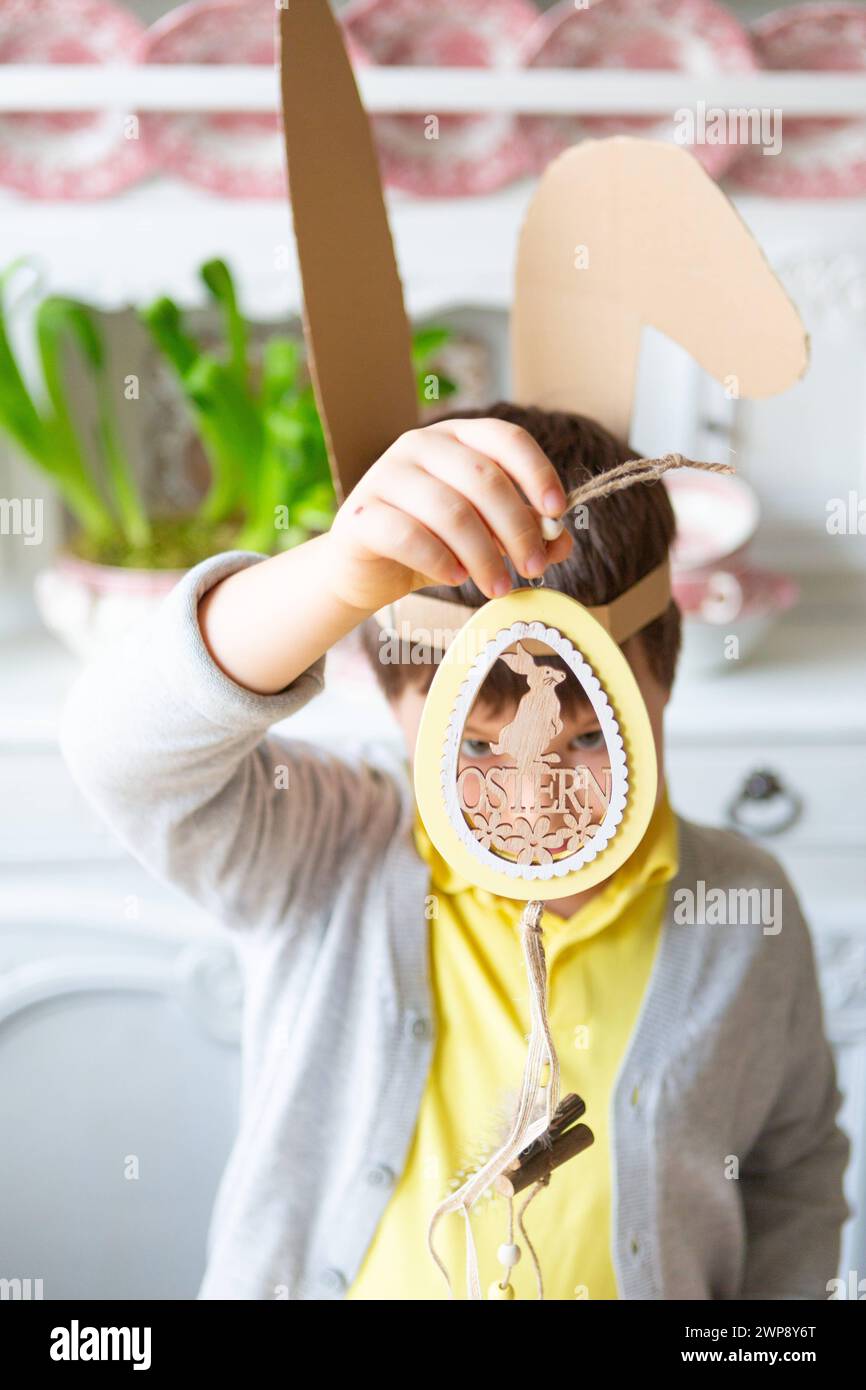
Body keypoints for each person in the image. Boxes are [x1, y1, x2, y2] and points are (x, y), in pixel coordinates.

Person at [60, 403, 850, 1300]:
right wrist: (336, 575)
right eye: (476, 749)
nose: (533, 799)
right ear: (398, 705)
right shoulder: (327, 850)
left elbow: (794, 1171)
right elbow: (116, 750)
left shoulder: (745, 912)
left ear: (664, 675)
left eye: (589, 738)